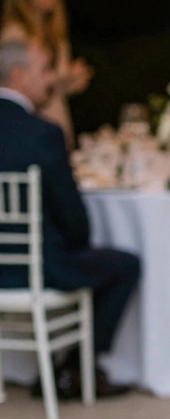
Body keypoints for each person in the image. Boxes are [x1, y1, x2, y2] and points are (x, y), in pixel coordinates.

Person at [0, 38, 136, 399]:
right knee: (124, 265)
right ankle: (77, 370)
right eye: (45, 70)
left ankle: (68, 369)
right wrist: (76, 245)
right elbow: (75, 222)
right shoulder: (43, 134)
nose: (51, 80)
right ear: (18, 75)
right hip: (42, 269)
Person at [1, 0, 94, 148]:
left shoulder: (55, 33)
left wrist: (69, 83)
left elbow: (51, 86)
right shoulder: (15, 35)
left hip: (56, 122)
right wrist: (60, 80)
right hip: (29, 129)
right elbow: (15, 87)